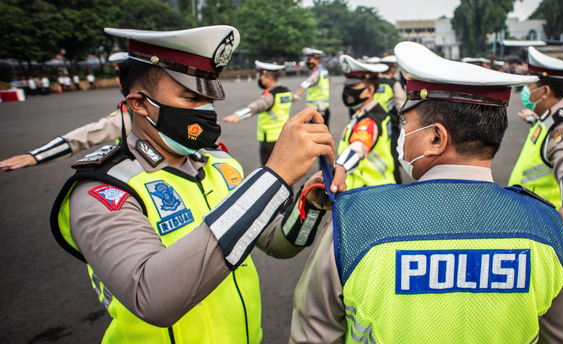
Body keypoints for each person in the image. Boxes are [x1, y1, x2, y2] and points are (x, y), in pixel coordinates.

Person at [50, 25, 345, 343]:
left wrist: (310, 203)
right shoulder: (104, 188)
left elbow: (275, 242)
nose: (206, 110)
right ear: (139, 103)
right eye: (191, 97)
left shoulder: (221, 163)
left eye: (209, 99)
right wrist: (273, 178)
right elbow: (151, 297)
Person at [290, 42, 563, 344]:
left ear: (435, 138)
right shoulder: (548, 231)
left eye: (406, 123)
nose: (402, 133)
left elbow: (312, 334)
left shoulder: (353, 224)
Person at [509, 47, 563, 247]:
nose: (527, 90)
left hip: (546, 224)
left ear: (544, 91)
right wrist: (531, 118)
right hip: (532, 215)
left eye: (531, 84)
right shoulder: (552, 115)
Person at [0, 53, 131, 172]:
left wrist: (38, 156)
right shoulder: (131, 110)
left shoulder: (131, 113)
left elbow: (84, 136)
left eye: (122, 76)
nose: (118, 81)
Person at [335, 55, 395, 189]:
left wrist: (338, 169)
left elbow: (358, 146)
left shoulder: (369, 120)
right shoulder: (365, 113)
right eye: (346, 85)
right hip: (375, 190)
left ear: (369, 90)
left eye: (352, 86)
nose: (347, 91)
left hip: (368, 194)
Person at [223, 60, 293, 165]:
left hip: (269, 139)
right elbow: (294, 97)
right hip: (282, 136)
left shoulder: (271, 95)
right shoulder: (286, 92)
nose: (260, 79)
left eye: (261, 76)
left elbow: (258, 105)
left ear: (268, 77)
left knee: (268, 170)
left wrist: (238, 115)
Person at [376, 55, 406, 183]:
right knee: (392, 159)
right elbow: (402, 107)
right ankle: (396, 187)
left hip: (374, 127)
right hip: (391, 129)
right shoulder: (394, 84)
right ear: (392, 69)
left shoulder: (374, 83)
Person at [293, 48, 330, 128]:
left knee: (315, 132)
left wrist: (300, 90)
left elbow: (309, 81)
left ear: (317, 59)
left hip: (317, 107)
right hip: (323, 105)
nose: (308, 62)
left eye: (310, 59)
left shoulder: (317, 72)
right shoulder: (324, 71)